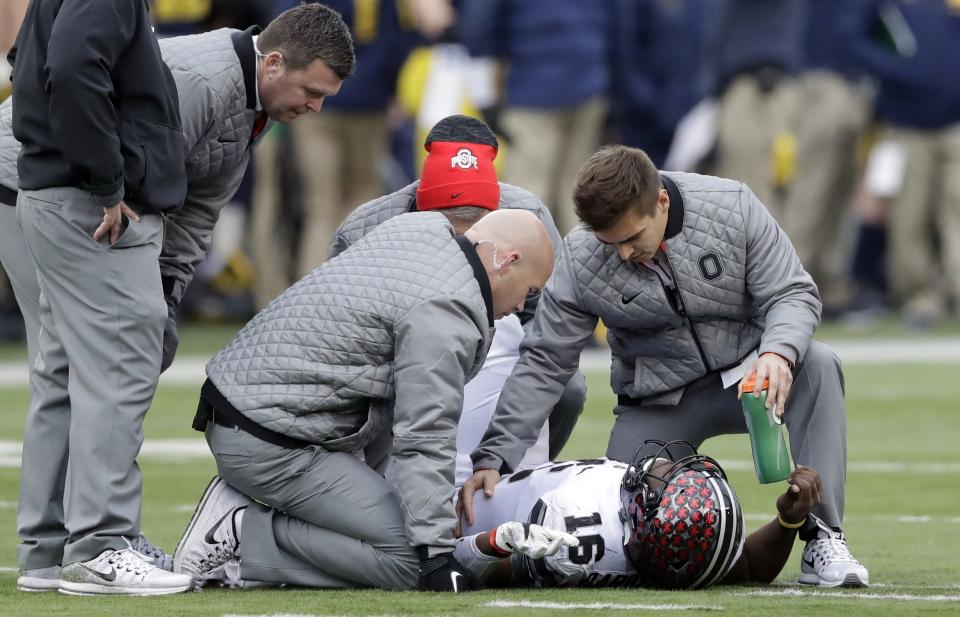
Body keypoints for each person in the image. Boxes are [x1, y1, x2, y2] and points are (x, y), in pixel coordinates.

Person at [2, 3, 356, 595]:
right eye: (312, 91)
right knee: (107, 361)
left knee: (72, 365)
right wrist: (108, 187)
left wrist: (166, 297)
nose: (315, 108)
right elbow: (90, 102)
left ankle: (49, 548)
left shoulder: (249, 102)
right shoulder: (202, 82)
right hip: (50, 187)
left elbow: (191, 214)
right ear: (272, 63)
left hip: (60, 185)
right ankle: (97, 543)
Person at [460, 145, 869, 588]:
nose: (621, 254)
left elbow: (793, 292)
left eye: (632, 238)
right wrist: (496, 455)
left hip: (748, 377)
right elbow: (545, 361)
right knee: (626, 542)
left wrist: (778, 352)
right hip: (658, 403)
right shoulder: (580, 256)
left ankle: (824, 537)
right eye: (609, 242)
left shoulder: (731, 205)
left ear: (661, 202)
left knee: (819, 363)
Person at [172, 207, 554, 592]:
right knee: (411, 563)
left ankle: (254, 522)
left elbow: (352, 226)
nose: (523, 305)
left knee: (405, 528)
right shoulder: (447, 308)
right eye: (530, 290)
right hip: (270, 438)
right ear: (508, 261)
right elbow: (425, 434)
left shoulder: (421, 227)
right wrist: (435, 552)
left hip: (255, 407)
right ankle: (242, 533)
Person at [330, 114, 587, 470]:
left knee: (569, 387)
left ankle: (514, 476)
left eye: (476, 227)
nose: (464, 243)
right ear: (421, 206)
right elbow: (341, 339)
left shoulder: (528, 216)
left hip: (498, 326)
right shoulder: (365, 229)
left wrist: (501, 452)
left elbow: (550, 326)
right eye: (451, 224)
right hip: (396, 343)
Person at [456, 441, 829, 589]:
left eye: (667, 479)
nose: (667, 465)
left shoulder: (577, 527)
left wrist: (491, 544)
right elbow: (748, 567)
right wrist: (788, 522)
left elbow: (475, 573)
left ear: (643, 516)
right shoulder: (670, 548)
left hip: (461, 504)